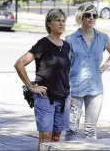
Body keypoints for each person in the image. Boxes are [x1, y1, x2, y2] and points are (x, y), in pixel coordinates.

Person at [14, 9, 71, 151]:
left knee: (56, 138)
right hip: (45, 97)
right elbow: (19, 64)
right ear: (49, 24)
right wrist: (31, 87)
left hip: (64, 97)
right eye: (58, 20)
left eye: (63, 21)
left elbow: (65, 72)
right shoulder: (43, 44)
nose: (61, 23)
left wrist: (70, 93)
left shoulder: (66, 46)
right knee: (45, 138)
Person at [65, 2, 110, 140]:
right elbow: (64, 66)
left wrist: (102, 68)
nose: (91, 18)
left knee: (91, 130)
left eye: (94, 15)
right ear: (81, 17)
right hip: (75, 89)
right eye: (88, 15)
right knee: (71, 129)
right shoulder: (70, 39)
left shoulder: (103, 38)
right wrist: (66, 91)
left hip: (95, 89)